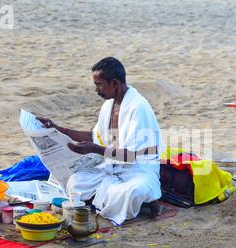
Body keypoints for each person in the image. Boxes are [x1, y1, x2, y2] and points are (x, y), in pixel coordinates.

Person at [37, 57, 163, 226]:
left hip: (137, 170)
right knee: (76, 181)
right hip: (111, 166)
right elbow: (95, 137)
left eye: (99, 85)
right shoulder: (108, 105)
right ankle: (104, 199)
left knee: (134, 192)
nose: (96, 90)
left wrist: (96, 149)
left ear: (114, 83)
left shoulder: (138, 107)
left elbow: (132, 156)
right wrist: (59, 129)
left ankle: (146, 200)